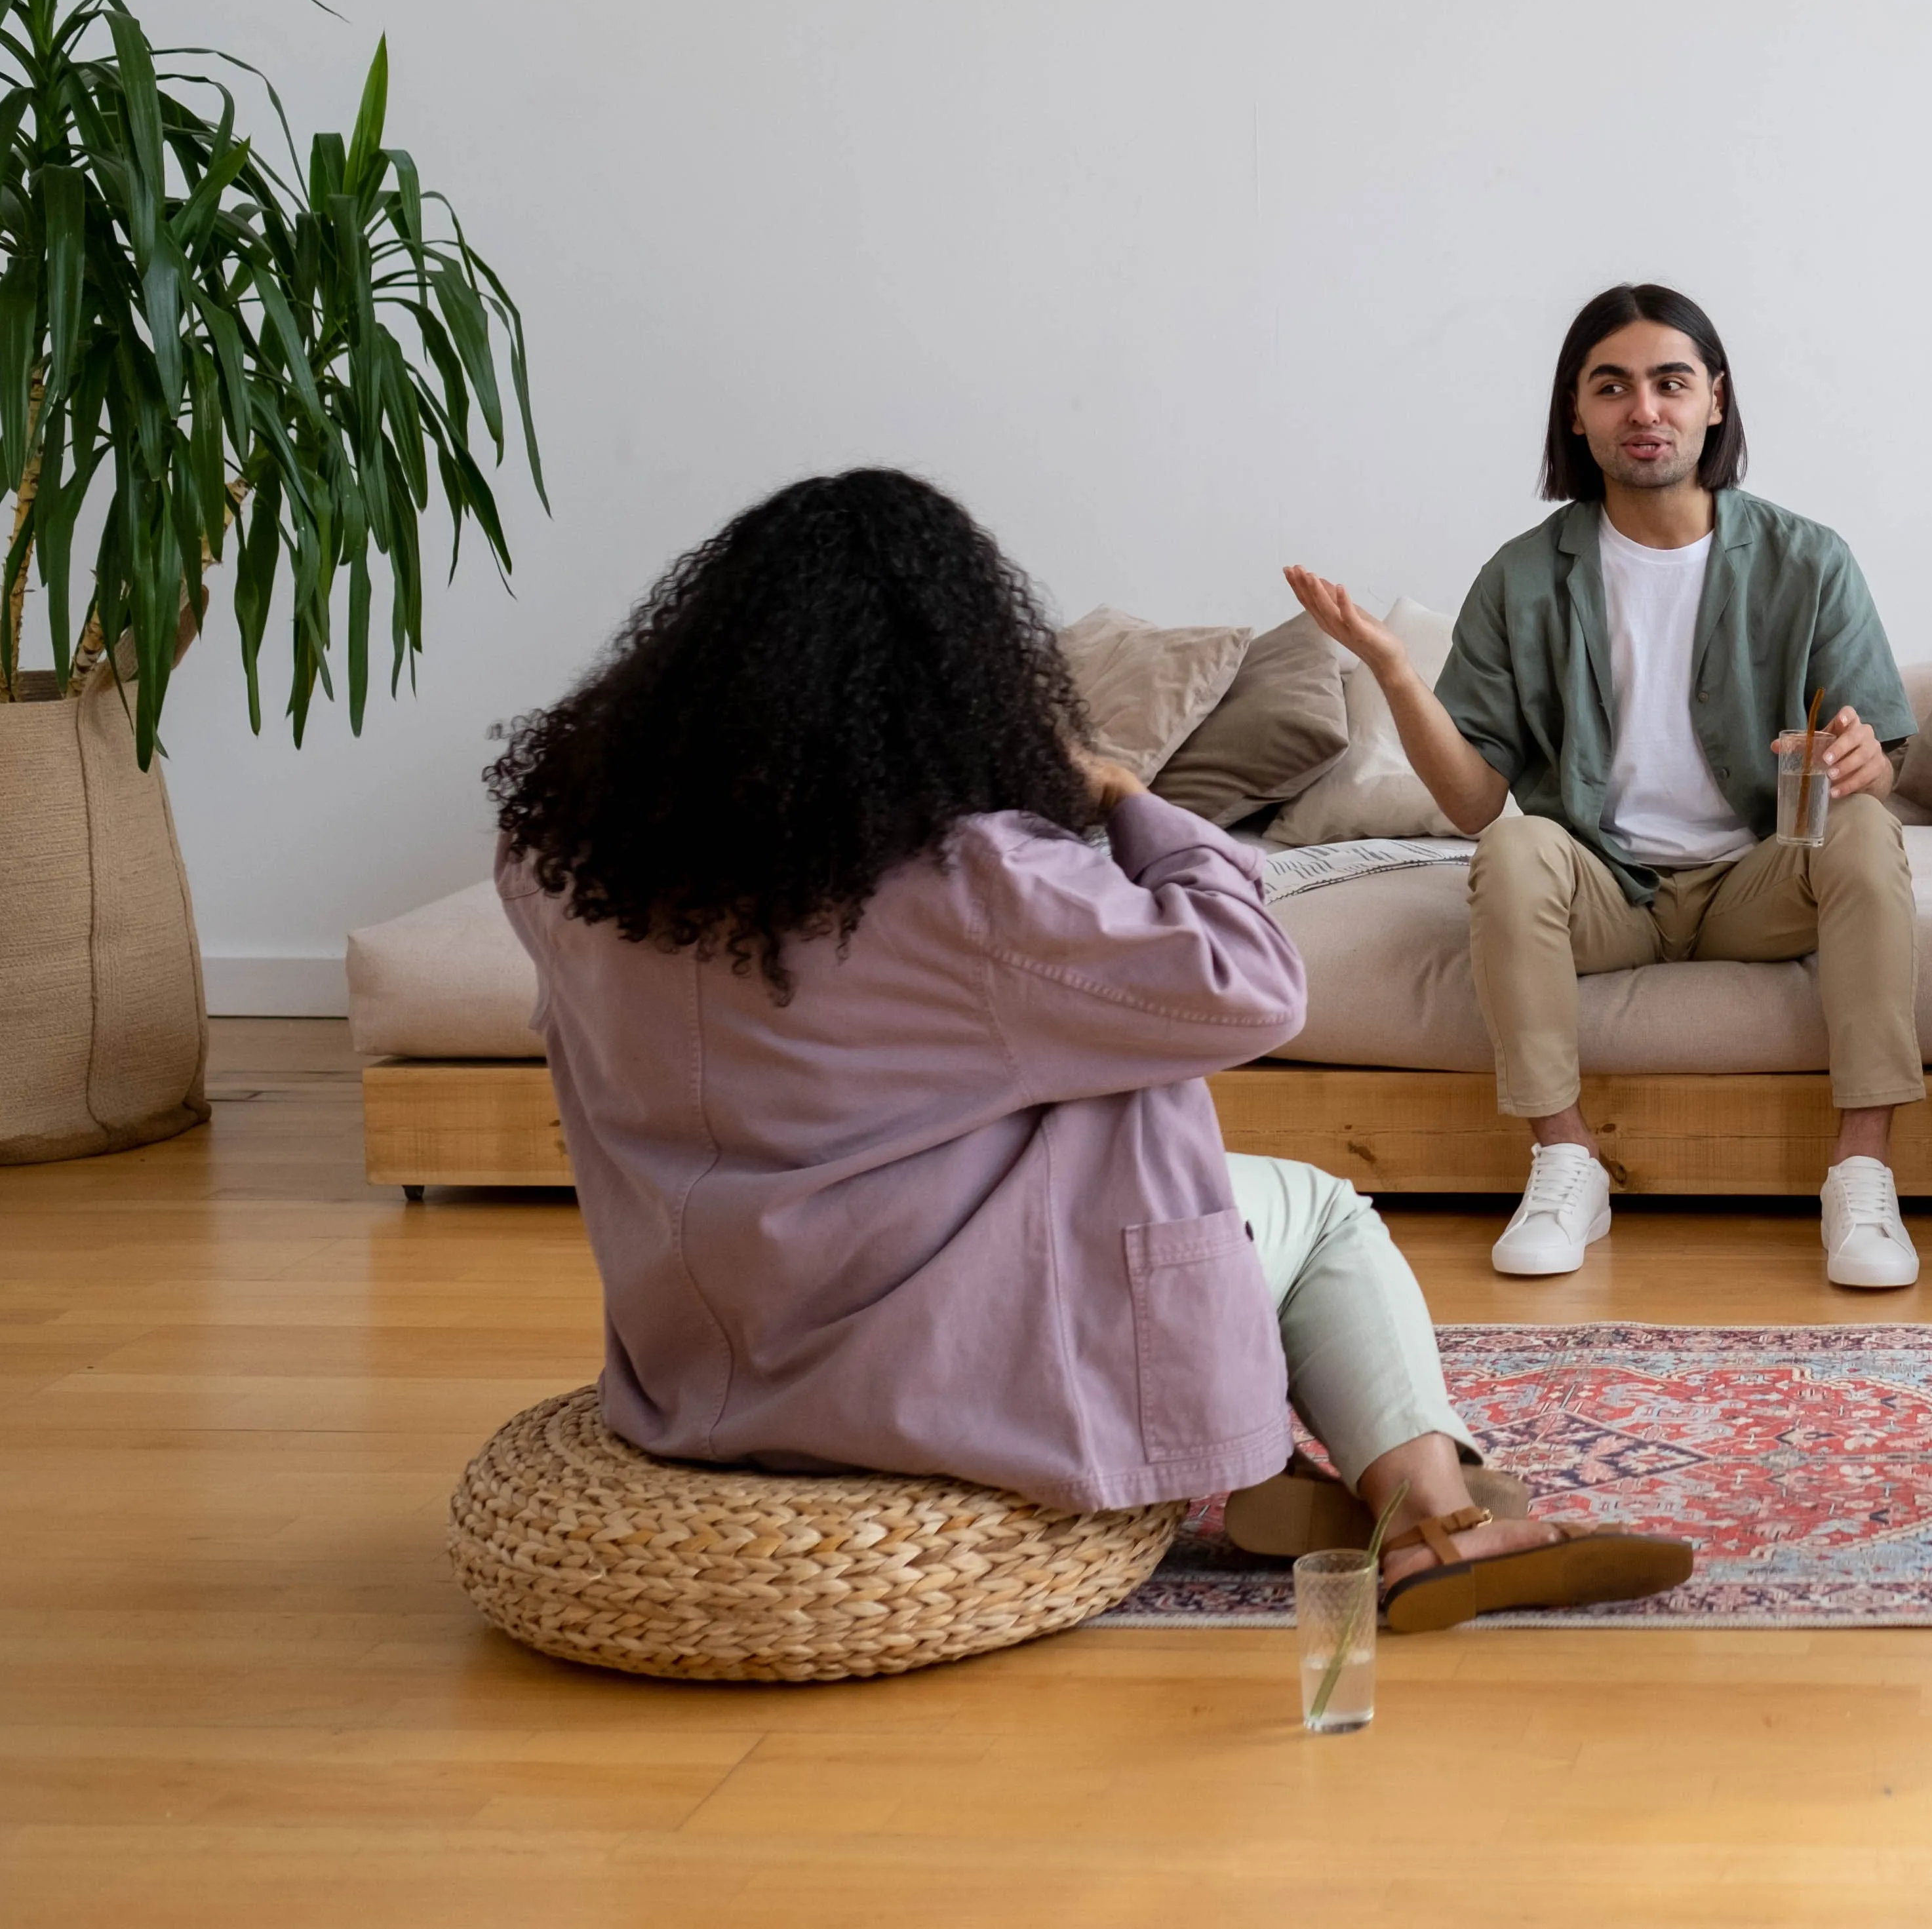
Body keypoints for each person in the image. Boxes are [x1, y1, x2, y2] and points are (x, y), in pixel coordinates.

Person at [487, 469, 1690, 1632]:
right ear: (956, 674)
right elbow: (1250, 987)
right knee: (1317, 1213)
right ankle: (1434, 1511)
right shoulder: (973, 883)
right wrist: (1125, 800)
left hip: (702, 1348)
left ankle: (1316, 1482)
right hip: (934, 1359)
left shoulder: (562, 871)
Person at [1284, 283, 1923, 1286]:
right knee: (1509, 844)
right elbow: (1468, 804)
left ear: (1714, 400)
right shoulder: (1524, 576)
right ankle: (1565, 1159)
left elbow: (1879, 753)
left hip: (1760, 880)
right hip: (1605, 891)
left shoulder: (1808, 561)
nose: (1644, 410)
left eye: (1670, 383)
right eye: (1612, 387)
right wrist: (1395, 671)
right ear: (1576, 415)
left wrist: (1863, 762)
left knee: (1868, 832)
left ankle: (1862, 1173)